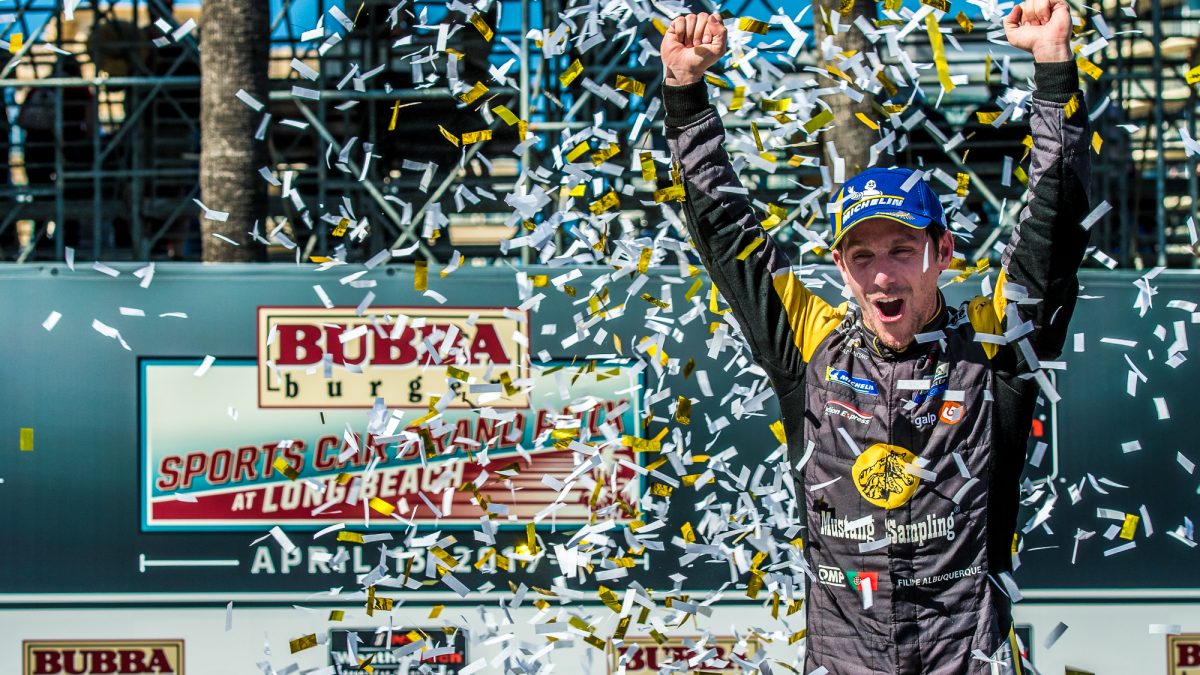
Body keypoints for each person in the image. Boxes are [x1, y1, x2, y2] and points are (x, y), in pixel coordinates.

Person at [660, 0, 1090, 672]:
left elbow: (1054, 223)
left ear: (943, 252)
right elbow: (725, 234)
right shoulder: (811, 343)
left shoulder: (994, 343)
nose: (882, 275)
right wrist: (686, 93)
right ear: (840, 266)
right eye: (862, 256)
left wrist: (1053, 69)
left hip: (964, 658)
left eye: (902, 250)